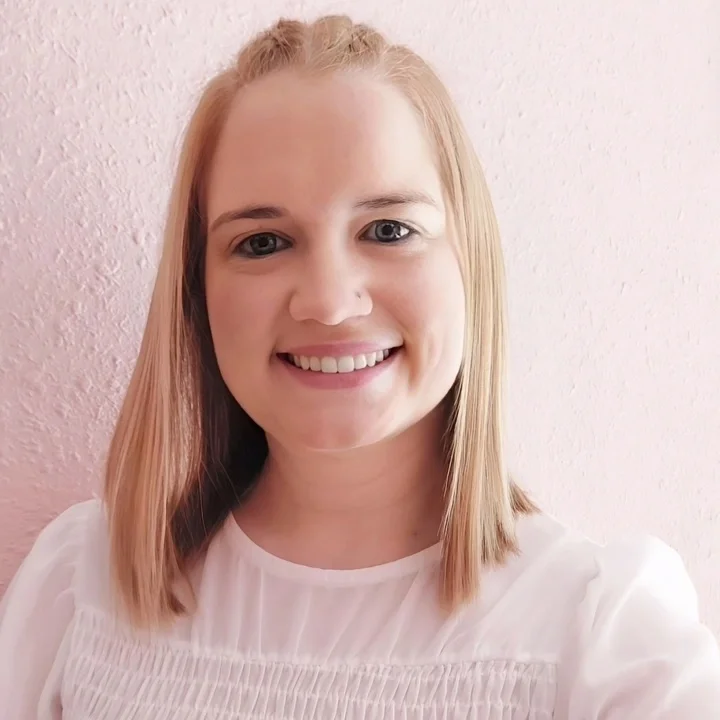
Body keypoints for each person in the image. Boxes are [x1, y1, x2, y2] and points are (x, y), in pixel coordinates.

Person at [1, 14, 718, 719]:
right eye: (262, 242)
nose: (328, 301)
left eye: (388, 230)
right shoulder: (78, 591)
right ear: (196, 291)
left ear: (469, 262)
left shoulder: (599, 638)